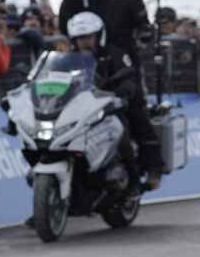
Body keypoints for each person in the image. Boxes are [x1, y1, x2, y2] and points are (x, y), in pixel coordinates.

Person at [58, 0, 160, 188]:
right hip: (86, 61)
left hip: (122, 61)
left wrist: (146, 32)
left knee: (135, 110)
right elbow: (65, 23)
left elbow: (143, 26)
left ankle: (152, 167)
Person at [65, 11, 159, 189]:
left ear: (98, 36)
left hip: (106, 108)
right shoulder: (67, 60)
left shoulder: (114, 54)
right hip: (76, 111)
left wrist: (124, 89)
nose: (84, 41)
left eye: (88, 37)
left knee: (120, 130)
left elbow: (128, 76)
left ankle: (133, 184)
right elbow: (51, 78)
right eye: (80, 38)